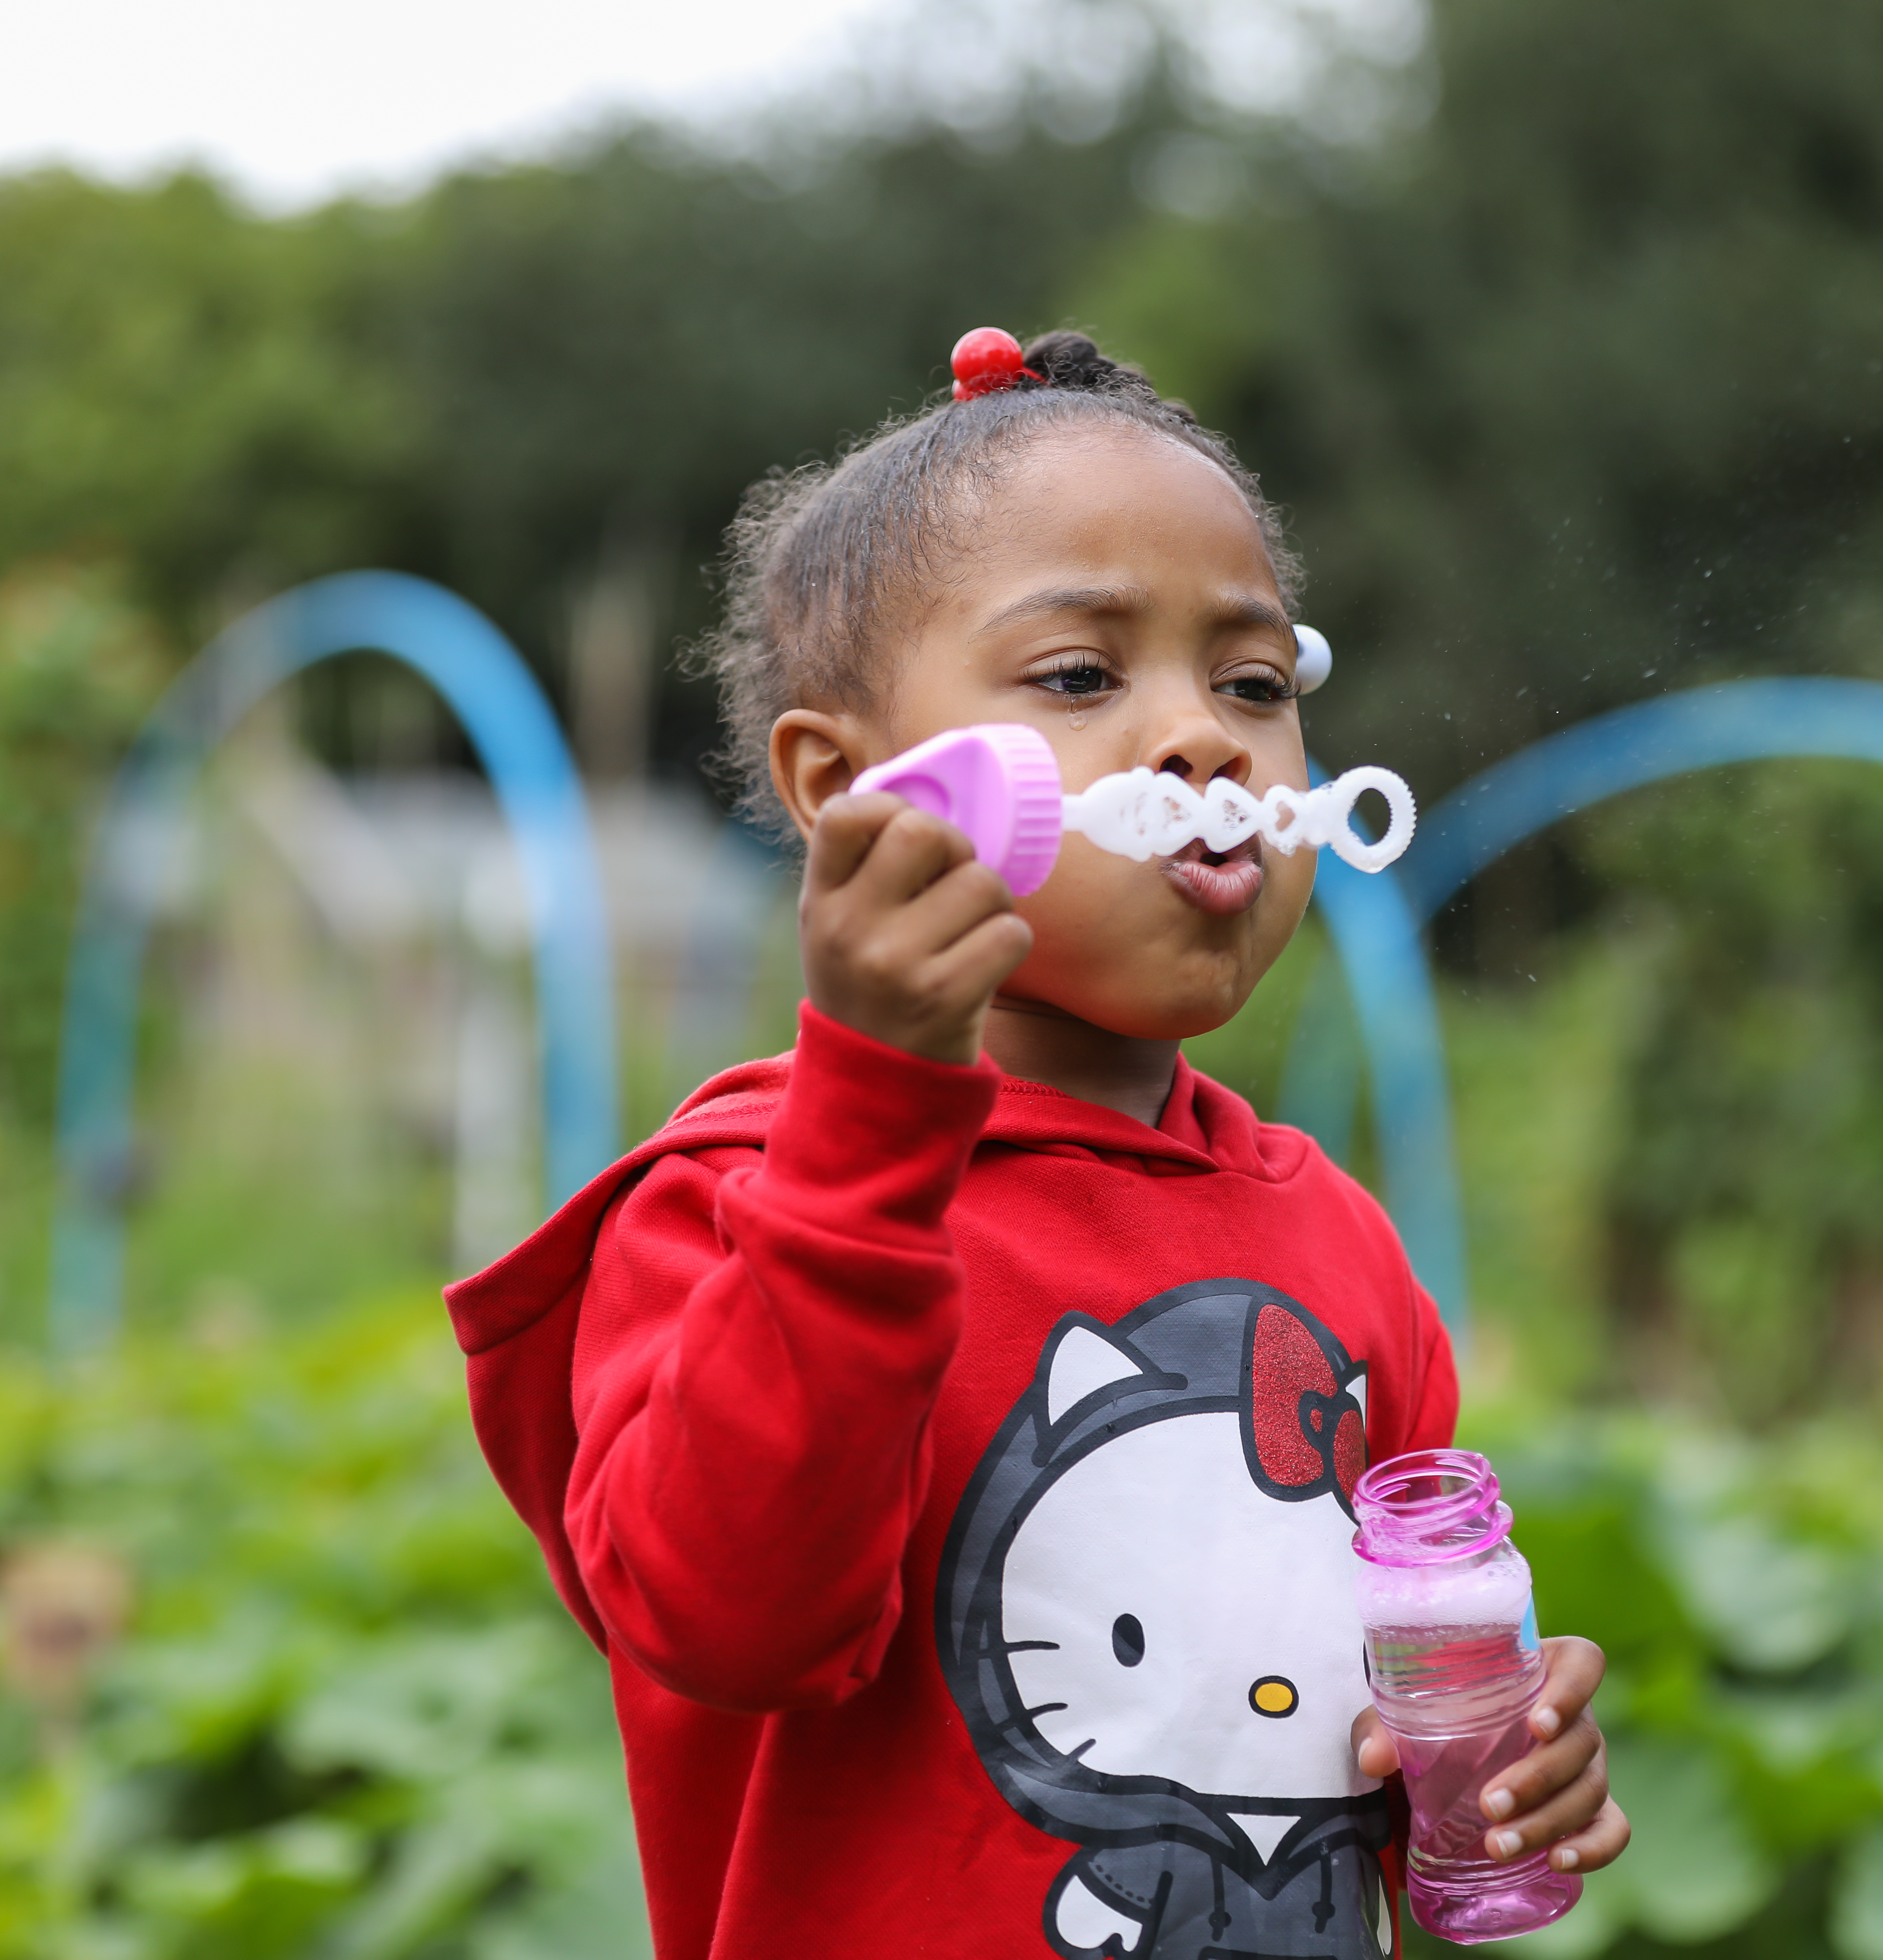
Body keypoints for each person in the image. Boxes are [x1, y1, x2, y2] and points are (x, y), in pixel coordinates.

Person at [446, 327, 1630, 1959]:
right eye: (1081, 676)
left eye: (1256, 682)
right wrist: (873, 1107)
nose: (1204, 740)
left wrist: (1493, 1773)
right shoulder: (736, 1205)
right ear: (848, 785)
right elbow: (729, 1625)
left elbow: (1365, 1778)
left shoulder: (1334, 1239)